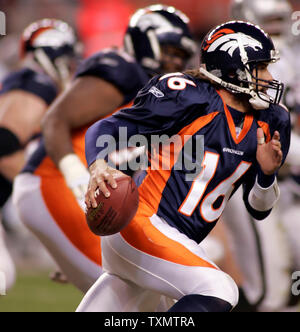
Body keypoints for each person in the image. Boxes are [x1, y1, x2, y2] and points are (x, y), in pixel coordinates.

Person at [78, 20, 291, 312]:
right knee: (219, 288)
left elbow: (259, 208)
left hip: (174, 244)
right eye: (260, 67)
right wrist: (98, 165)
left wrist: (267, 175)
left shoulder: (272, 121)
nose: (269, 76)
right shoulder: (187, 95)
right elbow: (108, 126)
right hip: (141, 224)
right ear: (233, 69)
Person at [13, 5, 197, 298]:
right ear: (144, 41)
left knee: (151, 294)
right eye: (169, 50)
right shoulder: (123, 69)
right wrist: (74, 181)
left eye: (180, 55)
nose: (174, 61)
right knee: (140, 293)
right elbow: (55, 120)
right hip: (55, 182)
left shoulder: (162, 97)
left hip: (81, 192)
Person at [219, 0, 298, 311]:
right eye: (270, 22)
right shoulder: (238, 69)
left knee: (288, 286)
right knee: (268, 290)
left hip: (284, 185)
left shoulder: (290, 60)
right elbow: (257, 135)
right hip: (245, 179)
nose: (277, 31)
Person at [0, 18, 79, 291]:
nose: (71, 66)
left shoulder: (28, 82)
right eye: (68, 57)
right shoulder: (36, 82)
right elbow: (5, 147)